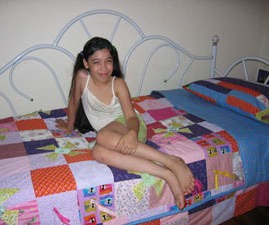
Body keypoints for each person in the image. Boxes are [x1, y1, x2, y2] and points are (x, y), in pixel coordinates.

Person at [56, 37, 194, 210]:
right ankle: (165, 173)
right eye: (96, 62)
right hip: (110, 137)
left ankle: (172, 161)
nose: (104, 68)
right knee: (98, 152)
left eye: (108, 61)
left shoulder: (118, 83)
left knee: (102, 136)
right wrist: (69, 126)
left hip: (130, 128)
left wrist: (132, 134)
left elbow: (131, 117)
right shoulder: (82, 78)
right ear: (86, 63)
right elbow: (74, 101)